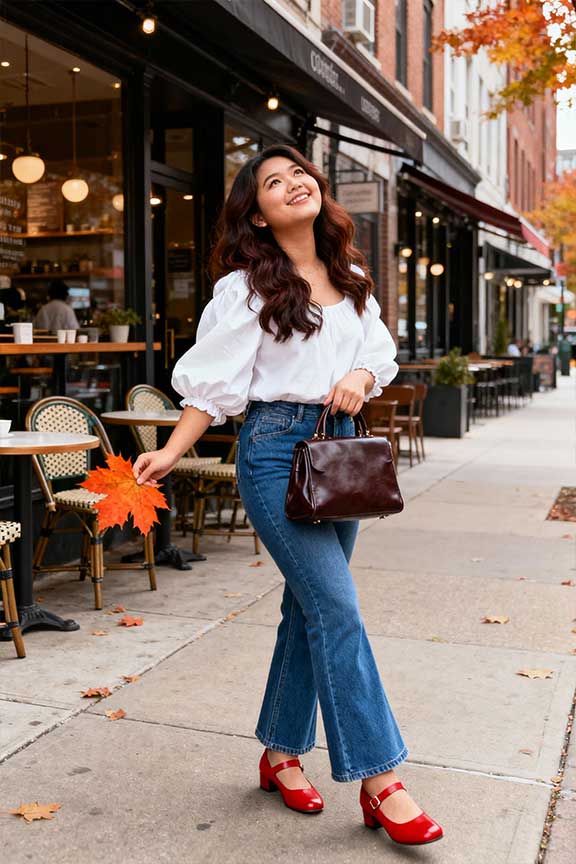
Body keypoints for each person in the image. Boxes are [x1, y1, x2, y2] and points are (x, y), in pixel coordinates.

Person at [133, 145, 444, 846]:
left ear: (316, 187)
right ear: (260, 214)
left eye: (298, 172)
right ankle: (381, 780)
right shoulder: (245, 289)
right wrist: (172, 451)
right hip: (276, 454)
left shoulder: (350, 274)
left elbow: (379, 351)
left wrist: (362, 376)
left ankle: (280, 753)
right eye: (273, 182)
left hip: (340, 454)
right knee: (336, 608)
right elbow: (211, 386)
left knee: (306, 609)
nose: (292, 183)